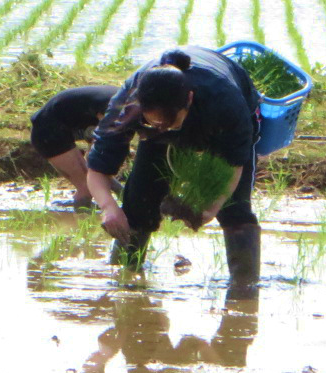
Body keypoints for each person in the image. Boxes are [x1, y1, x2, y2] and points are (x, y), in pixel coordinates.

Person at [86, 46, 262, 294]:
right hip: (159, 128)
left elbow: (234, 164)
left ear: (189, 100)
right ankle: (125, 280)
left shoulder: (224, 101)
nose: (162, 127)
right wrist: (108, 207)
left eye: (170, 122)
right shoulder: (128, 103)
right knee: (138, 202)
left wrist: (211, 208)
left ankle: (245, 288)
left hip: (219, 116)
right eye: (153, 121)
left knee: (236, 209)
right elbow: (97, 168)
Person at [29, 85, 120, 206]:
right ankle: (80, 220)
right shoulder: (117, 107)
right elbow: (102, 149)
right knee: (87, 188)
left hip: (69, 125)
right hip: (47, 131)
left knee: (98, 178)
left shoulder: (125, 98)